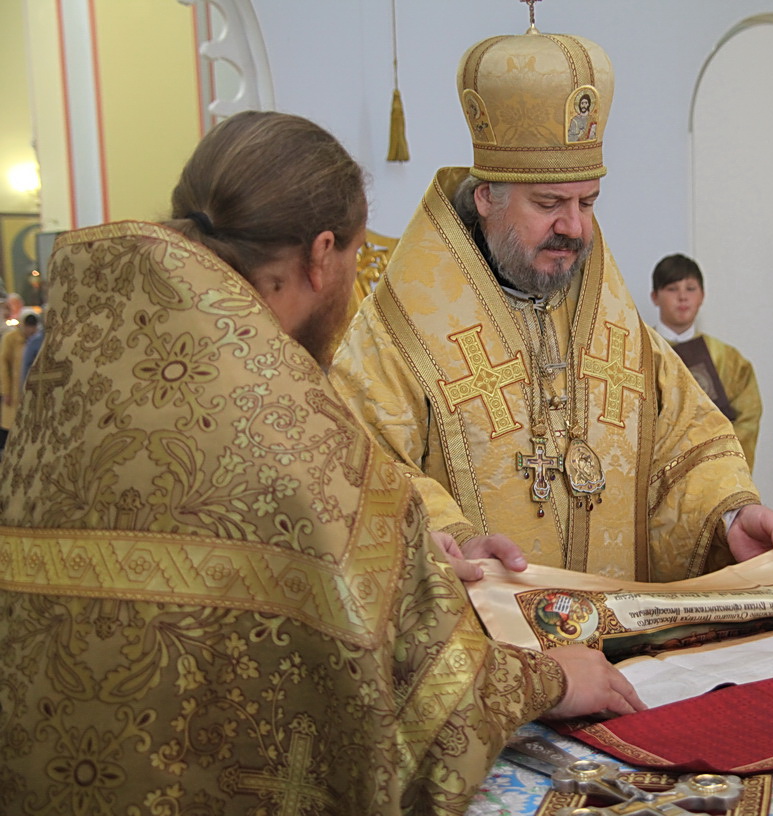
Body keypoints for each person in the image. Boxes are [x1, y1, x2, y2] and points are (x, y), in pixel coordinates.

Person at [0, 110, 644, 815]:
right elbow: (415, 717)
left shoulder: (76, 383)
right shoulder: (299, 431)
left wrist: (406, 560)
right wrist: (547, 680)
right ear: (322, 253)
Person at [330, 24, 773, 584]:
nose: (574, 228)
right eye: (549, 203)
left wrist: (730, 513)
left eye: (588, 202)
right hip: (493, 647)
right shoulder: (399, 330)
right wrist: (452, 537)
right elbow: (361, 459)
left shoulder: (613, 320)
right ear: (487, 198)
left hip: (622, 639)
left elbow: (686, 439)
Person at [650, 253, 763, 471]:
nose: (683, 297)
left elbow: (748, 417)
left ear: (702, 295)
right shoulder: (641, 351)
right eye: (672, 289)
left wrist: (712, 452)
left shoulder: (728, 358)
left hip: (715, 469)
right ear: (655, 296)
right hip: (659, 473)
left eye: (691, 289)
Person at [0, 309, 37, 454]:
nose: (30, 329)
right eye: (28, 325)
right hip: (13, 391)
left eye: (32, 326)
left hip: (28, 389)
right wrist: (6, 391)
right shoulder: (10, 338)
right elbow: (3, 365)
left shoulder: (36, 340)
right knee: (11, 425)